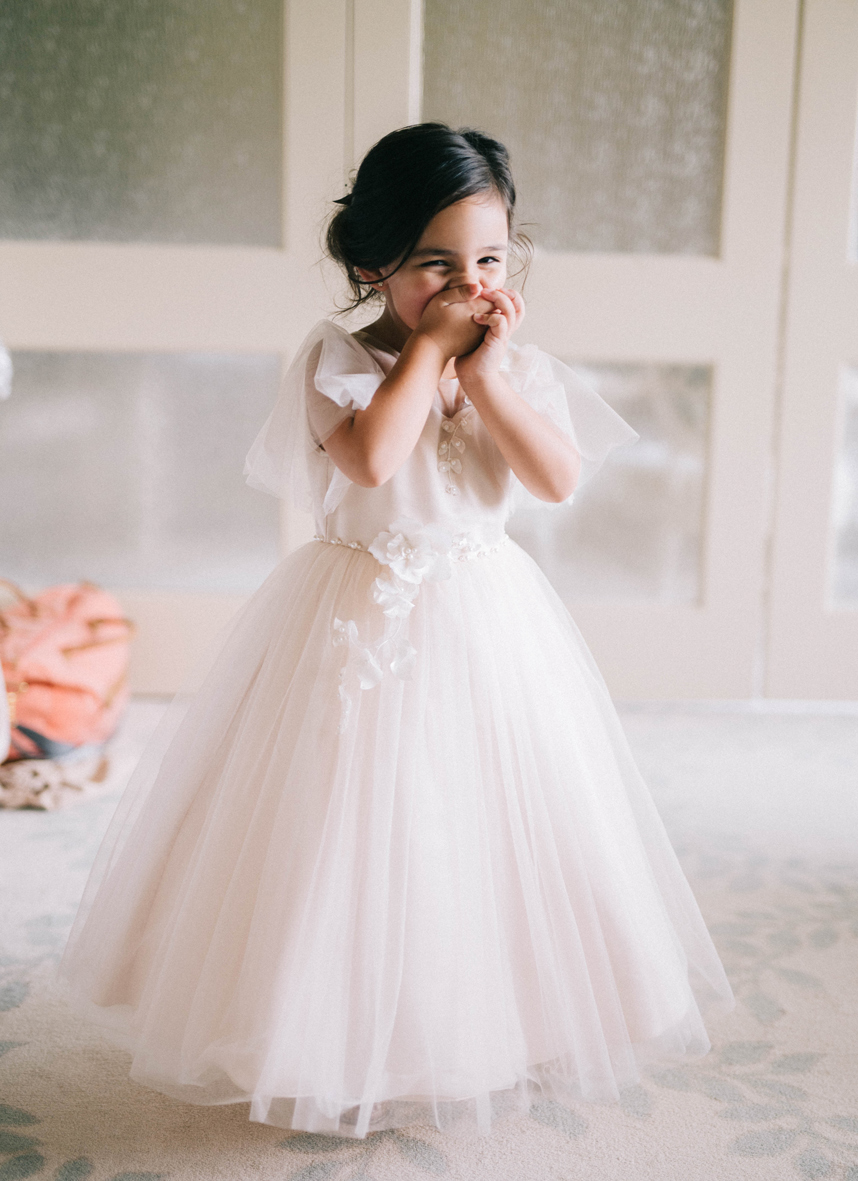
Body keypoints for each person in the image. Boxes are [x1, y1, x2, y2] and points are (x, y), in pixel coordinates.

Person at [59, 123, 733, 1140]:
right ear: (374, 263)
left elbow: (553, 478)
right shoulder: (342, 354)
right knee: (343, 824)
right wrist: (425, 351)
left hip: (485, 615)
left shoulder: (513, 361)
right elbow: (374, 460)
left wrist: (490, 375)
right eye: (436, 266)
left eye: (490, 260)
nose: (469, 286)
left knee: (487, 820)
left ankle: (493, 1021)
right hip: (357, 613)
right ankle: (322, 1026)